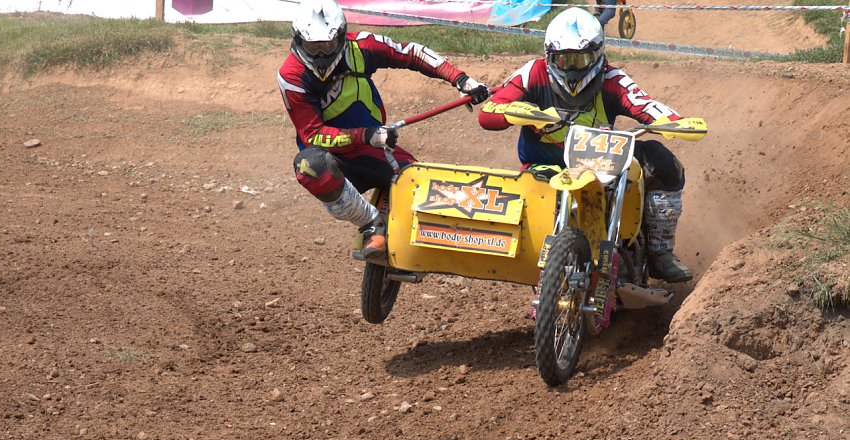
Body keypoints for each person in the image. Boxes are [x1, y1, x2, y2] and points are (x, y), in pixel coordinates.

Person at [478, 7, 693, 283]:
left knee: (662, 162)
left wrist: (676, 122)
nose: (572, 68)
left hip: (599, 163)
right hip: (546, 166)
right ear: (549, 56)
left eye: (581, 59)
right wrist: (517, 112)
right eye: (564, 59)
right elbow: (488, 112)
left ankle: (660, 253)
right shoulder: (533, 73)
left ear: (598, 55)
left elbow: (644, 104)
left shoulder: (612, 78)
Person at [279, 0, 490, 262]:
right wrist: (366, 134)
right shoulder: (292, 76)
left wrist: (460, 79)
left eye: (328, 46)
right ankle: (370, 223)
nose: (321, 56)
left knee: (422, 187)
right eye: (313, 47)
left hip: (373, 149)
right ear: (297, 40)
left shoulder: (363, 46)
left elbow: (411, 53)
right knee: (308, 165)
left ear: (342, 37)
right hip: (333, 157)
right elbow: (313, 134)